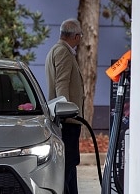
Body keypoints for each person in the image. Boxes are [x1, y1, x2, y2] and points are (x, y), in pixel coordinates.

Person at [45, 18, 85, 194]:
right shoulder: (63, 53)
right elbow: (62, 85)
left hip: (65, 120)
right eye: (80, 36)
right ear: (76, 36)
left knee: (70, 167)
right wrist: (67, 113)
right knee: (67, 167)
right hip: (67, 121)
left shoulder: (55, 50)